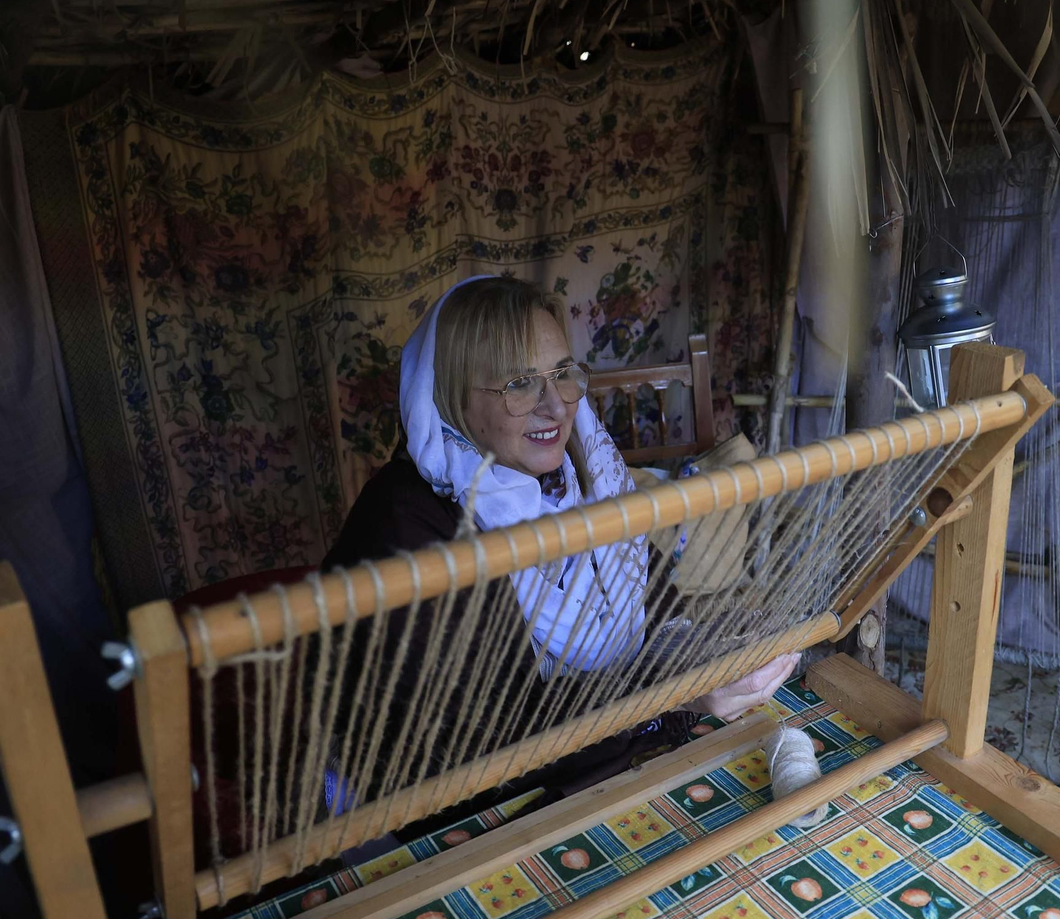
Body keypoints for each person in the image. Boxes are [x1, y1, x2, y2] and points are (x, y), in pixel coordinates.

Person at [323, 275, 798, 804]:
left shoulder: (580, 482)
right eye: (520, 383)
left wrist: (709, 645)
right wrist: (674, 687)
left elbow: (650, 603)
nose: (555, 406)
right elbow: (489, 740)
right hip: (455, 807)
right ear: (452, 398)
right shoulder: (403, 530)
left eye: (563, 374)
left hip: (602, 757)